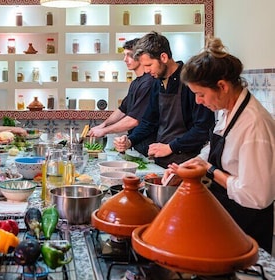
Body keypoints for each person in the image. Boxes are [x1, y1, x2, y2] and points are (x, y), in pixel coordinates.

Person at [163, 36, 275, 253]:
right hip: (227, 218)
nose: (198, 101)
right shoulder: (227, 111)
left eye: (200, 94)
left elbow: (255, 196)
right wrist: (191, 164)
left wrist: (210, 170)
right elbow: (212, 149)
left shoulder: (254, 126)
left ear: (222, 86)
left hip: (246, 229)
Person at [114, 32, 215, 168]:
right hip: (162, 161)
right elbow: (149, 121)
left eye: (149, 65)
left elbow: (202, 129)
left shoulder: (190, 82)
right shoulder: (158, 82)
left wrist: (171, 147)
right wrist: (130, 141)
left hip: (187, 163)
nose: (146, 71)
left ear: (163, 57)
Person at [88, 38, 154, 155]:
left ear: (140, 56)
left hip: (149, 145)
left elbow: (134, 120)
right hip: (138, 144)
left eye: (129, 55)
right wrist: (103, 124)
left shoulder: (148, 82)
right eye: (124, 55)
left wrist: (104, 131)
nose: (125, 60)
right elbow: (122, 109)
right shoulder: (136, 83)